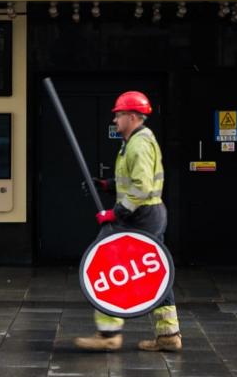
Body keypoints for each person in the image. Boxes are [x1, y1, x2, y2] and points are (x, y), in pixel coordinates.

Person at [74, 90, 181, 353]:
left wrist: (116, 213)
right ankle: (168, 335)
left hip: (141, 215)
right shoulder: (134, 141)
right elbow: (131, 182)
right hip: (147, 214)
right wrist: (106, 185)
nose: (114, 120)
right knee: (155, 272)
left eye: (118, 115)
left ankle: (109, 334)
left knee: (108, 263)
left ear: (132, 117)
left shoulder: (138, 144)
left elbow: (142, 187)